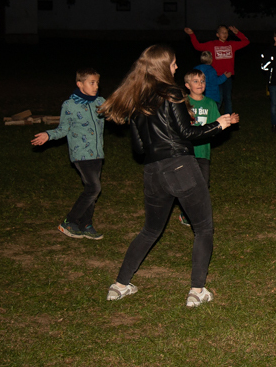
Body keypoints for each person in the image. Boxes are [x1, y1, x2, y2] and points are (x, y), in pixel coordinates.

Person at [100, 45, 238, 307]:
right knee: (204, 228)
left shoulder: (138, 98)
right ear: (162, 66)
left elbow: (139, 148)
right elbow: (187, 133)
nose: (176, 67)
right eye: (174, 63)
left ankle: (119, 285)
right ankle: (197, 291)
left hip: (153, 172)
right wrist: (219, 124)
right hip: (181, 168)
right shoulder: (172, 92)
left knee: (150, 230)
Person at [31, 68, 108, 240]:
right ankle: (69, 221)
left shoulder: (100, 102)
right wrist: (48, 135)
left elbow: (115, 116)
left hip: (97, 154)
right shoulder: (70, 105)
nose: (96, 86)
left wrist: (127, 115)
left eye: (97, 83)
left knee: (91, 190)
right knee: (94, 188)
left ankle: (86, 224)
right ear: (80, 84)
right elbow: (63, 129)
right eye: (92, 83)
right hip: (81, 154)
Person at [179, 69, 226, 227]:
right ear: (187, 85)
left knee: (203, 184)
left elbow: (216, 126)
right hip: (186, 152)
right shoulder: (182, 103)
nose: (200, 84)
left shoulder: (210, 104)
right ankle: (187, 214)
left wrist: (227, 122)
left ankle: (195, 213)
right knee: (187, 185)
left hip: (203, 152)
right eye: (196, 81)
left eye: (202, 81)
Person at [184, 25, 250, 115]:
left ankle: (228, 118)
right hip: (215, 77)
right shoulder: (212, 44)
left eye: (226, 32)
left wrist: (237, 33)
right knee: (218, 98)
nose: (225, 34)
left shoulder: (231, 45)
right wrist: (192, 34)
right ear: (217, 34)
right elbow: (198, 46)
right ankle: (213, 116)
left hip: (227, 76)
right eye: (222, 32)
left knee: (228, 98)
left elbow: (246, 42)